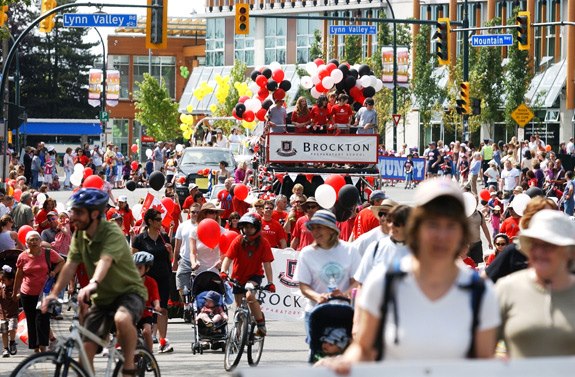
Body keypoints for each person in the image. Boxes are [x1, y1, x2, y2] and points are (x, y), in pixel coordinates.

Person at [321, 179, 500, 372]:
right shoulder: (383, 282)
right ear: (416, 228)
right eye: (432, 224)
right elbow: (364, 349)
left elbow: (483, 363)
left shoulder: (480, 292)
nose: (442, 235)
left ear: (463, 233)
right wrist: (343, 363)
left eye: (451, 225)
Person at [41, 188, 147, 377]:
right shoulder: (80, 237)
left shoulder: (111, 232)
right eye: (73, 211)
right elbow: (70, 266)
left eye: (79, 212)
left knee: (121, 319)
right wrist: (53, 294)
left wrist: (93, 283)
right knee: (86, 348)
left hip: (128, 292)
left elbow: (106, 260)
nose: (73, 217)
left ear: (95, 214)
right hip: (102, 298)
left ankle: (130, 365)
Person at [496, 209, 575, 357]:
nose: (539, 252)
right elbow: (482, 354)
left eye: (549, 245)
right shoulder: (507, 289)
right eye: (534, 245)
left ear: (568, 251)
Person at [293, 210, 360, 341]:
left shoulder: (350, 250)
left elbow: (356, 281)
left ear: (331, 229)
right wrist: (318, 297)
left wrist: (344, 293)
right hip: (315, 311)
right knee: (317, 354)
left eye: (319, 227)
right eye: (313, 228)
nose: (315, 232)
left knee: (342, 353)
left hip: (343, 312)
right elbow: (303, 285)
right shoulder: (307, 253)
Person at [220, 213, 275, 336]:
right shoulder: (238, 240)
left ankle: (261, 324)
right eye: (245, 227)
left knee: (250, 294)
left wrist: (270, 282)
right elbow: (228, 258)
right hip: (238, 276)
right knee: (239, 306)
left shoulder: (263, 242)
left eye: (250, 227)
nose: (247, 230)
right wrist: (223, 271)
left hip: (254, 276)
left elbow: (267, 264)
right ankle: (237, 333)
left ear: (256, 227)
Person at [131, 208, 174, 353]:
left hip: (163, 277)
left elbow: (171, 260)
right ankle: (140, 337)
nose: (161, 222)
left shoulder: (164, 237)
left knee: (162, 309)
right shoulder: (140, 239)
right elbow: (133, 260)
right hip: (145, 280)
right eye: (158, 219)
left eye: (161, 219)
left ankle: (163, 341)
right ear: (150, 221)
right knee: (143, 308)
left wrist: (170, 252)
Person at [13, 231, 64, 352]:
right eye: (31, 240)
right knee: (31, 320)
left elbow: (62, 261)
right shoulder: (23, 256)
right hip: (27, 293)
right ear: (27, 242)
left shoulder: (48, 253)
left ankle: (43, 347)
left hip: (44, 293)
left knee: (43, 319)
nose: (34, 242)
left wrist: (54, 272)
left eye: (36, 239)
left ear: (40, 241)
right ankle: (35, 347)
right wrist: (15, 292)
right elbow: (19, 275)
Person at [133, 251, 161, 353]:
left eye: (140, 267)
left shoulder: (151, 282)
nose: (137, 270)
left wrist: (157, 305)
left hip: (146, 313)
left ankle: (149, 354)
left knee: (146, 331)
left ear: (147, 268)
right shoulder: (129, 281)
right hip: (133, 312)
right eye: (134, 267)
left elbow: (155, 296)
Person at [190, 203, 226, 273]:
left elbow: (225, 252)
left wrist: (221, 261)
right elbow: (192, 252)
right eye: (211, 212)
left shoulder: (222, 231)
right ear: (204, 214)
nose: (214, 215)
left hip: (216, 271)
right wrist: (193, 263)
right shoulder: (195, 231)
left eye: (216, 212)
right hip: (199, 271)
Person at [174, 202, 200, 298]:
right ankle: (186, 306)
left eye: (198, 212)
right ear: (189, 212)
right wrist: (175, 262)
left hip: (199, 262)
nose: (195, 214)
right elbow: (177, 246)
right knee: (181, 286)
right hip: (185, 261)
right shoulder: (182, 226)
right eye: (193, 212)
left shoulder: (203, 226)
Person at [0, 265, 18, 357]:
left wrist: (17, 295)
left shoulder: (16, 288)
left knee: (12, 328)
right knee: (4, 332)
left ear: (11, 280)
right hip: (3, 314)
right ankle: (5, 349)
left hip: (13, 314)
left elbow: (19, 296)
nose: (2, 282)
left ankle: (12, 342)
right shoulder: (1, 288)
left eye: (4, 280)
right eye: (1, 280)